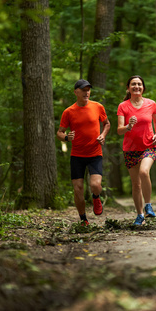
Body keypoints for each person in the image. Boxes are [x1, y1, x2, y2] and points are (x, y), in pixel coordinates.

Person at [57, 79, 110, 226]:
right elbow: (60, 132)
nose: (87, 92)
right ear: (76, 92)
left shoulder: (98, 107)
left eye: (88, 89)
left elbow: (107, 124)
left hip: (95, 153)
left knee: (95, 185)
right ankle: (83, 220)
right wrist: (67, 137)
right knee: (78, 189)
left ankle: (95, 197)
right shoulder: (68, 111)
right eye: (83, 89)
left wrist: (103, 135)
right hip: (77, 156)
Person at [117, 75, 156, 226]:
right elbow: (119, 130)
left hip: (148, 145)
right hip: (130, 149)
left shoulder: (151, 104)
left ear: (143, 87)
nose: (136, 86)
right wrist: (128, 126)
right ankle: (139, 215)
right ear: (128, 88)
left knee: (144, 172)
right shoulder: (123, 106)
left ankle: (148, 205)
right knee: (136, 184)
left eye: (139, 84)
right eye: (133, 84)